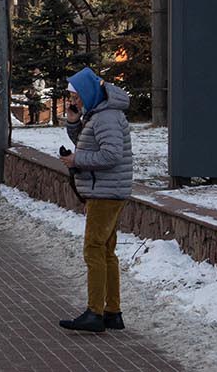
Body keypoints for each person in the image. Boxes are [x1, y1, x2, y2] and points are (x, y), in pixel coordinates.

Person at [58, 67, 133, 334]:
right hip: (107, 190)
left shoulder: (107, 118)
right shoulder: (100, 114)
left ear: (88, 93)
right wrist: (74, 123)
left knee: (93, 249)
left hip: (105, 192)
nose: (73, 101)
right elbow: (89, 143)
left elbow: (111, 155)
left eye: (75, 96)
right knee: (106, 251)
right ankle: (112, 312)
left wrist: (76, 160)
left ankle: (95, 312)